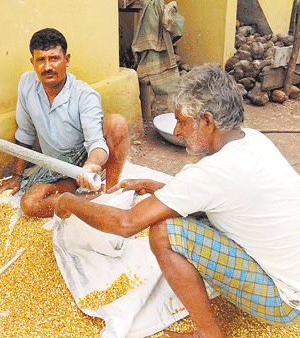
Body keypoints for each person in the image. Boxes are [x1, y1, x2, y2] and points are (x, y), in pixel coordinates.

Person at [54, 63, 300, 338]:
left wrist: (69, 202)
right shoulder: (252, 139)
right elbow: (204, 194)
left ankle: (208, 334)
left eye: (182, 121)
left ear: (208, 121)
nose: (178, 130)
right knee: (188, 215)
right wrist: (152, 185)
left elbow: (126, 223)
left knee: (165, 232)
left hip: (287, 301)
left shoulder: (213, 172)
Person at [0, 28, 130, 218]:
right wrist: (17, 177)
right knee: (30, 204)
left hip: (83, 159)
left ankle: (111, 192)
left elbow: (96, 143)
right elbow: (25, 134)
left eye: (54, 58)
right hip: (55, 165)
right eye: (41, 60)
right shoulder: (27, 84)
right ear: (33, 63)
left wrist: (90, 166)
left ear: (67, 60)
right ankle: (97, 197)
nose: (47, 66)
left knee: (117, 123)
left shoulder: (84, 95)